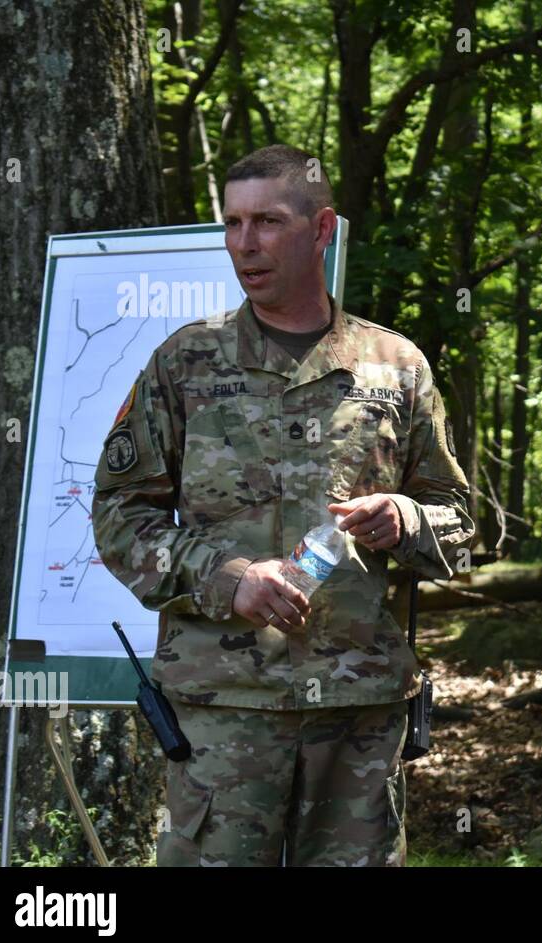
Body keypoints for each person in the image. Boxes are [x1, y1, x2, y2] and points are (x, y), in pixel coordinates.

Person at [91, 144, 475, 866]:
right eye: (232, 223)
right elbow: (119, 515)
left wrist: (407, 519)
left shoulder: (396, 367)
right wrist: (227, 580)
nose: (244, 244)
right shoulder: (185, 363)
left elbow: (458, 518)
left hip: (357, 715)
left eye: (267, 221)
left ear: (322, 228)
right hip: (224, 717)